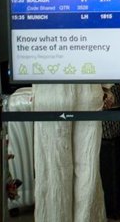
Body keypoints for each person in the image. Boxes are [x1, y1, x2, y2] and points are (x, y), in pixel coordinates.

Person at [32, 84, 107, 222]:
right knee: (87, 167)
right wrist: (106, 87)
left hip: (50, 92)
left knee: (53, 170)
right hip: (88, 88)